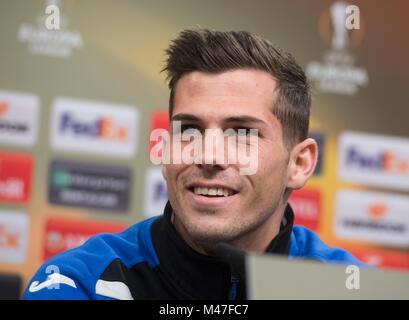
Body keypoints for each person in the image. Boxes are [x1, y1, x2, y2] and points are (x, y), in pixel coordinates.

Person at [24, 29, 367, 300]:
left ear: (300, 163)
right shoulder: (81, 283)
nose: (208, 156)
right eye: (189, 130)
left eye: (242, 133)